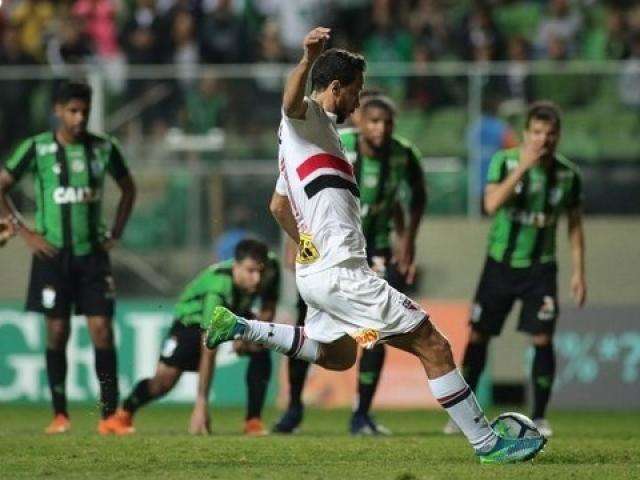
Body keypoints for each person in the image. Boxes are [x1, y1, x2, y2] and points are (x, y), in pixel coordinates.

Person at [204, 27, 546, 464]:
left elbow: (277, 205)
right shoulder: (306, 119)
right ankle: (489, 444)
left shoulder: (307, 145)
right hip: (344, 274)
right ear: (334, 89)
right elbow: (290, 102)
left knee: (339, 355)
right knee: (434, 344)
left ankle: (242, 327)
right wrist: (307, 58)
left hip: (319, 275)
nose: (359, 102)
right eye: (356, 92)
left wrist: (305, 243)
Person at [273, 92, 427, 435]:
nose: (380, 129)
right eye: (373, 120)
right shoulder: (338, 144)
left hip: (376, 254)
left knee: (375, 332)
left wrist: (408, 241)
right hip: (326, 250)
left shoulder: (403, 155)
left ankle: (362, 414)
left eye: (387, 123)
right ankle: (293, 408)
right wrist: (294, 241)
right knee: (306, 323)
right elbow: (301, 193)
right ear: (360, 121)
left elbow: (414, 199)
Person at [0, 81, 137, 435]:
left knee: (102, 331)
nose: (79, 118)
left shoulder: (104, 148)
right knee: (57, 331)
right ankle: (60, 414)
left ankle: (109, 415)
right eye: (73, 111)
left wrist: (117, 232)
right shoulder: (37, 148)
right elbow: (2, 185)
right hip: (52, 255)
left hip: (92, 256)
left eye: (85, 112)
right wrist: (24, 231)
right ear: (58, 111)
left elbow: (128, 189)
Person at [444, 101, 586, 438]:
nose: (543, 140)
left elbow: (575, 228)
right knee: (479, 335)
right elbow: (491, 204)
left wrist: (579, 272)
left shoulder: (568, 175)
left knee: (542, 337)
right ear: (525, 134)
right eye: (537, 133)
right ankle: (463, 415)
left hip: (541, 269)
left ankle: (539, 416)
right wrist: (522, 168)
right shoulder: (503, 162)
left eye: (550, 134)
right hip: (500, 265)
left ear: (559, 137)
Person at [109, 239, 280, 436]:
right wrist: (201, 404)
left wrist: (251, 336)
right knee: (164, 382)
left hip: (237, 314)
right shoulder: (217, 288)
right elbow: (209, 346)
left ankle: (253, 421)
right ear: (236, 266)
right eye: (250, 271)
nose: (257, 278)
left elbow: (268, 309)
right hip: (191, 322)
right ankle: (123, 414)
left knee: (262, 346)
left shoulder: (271, 268)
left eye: (260, 271)